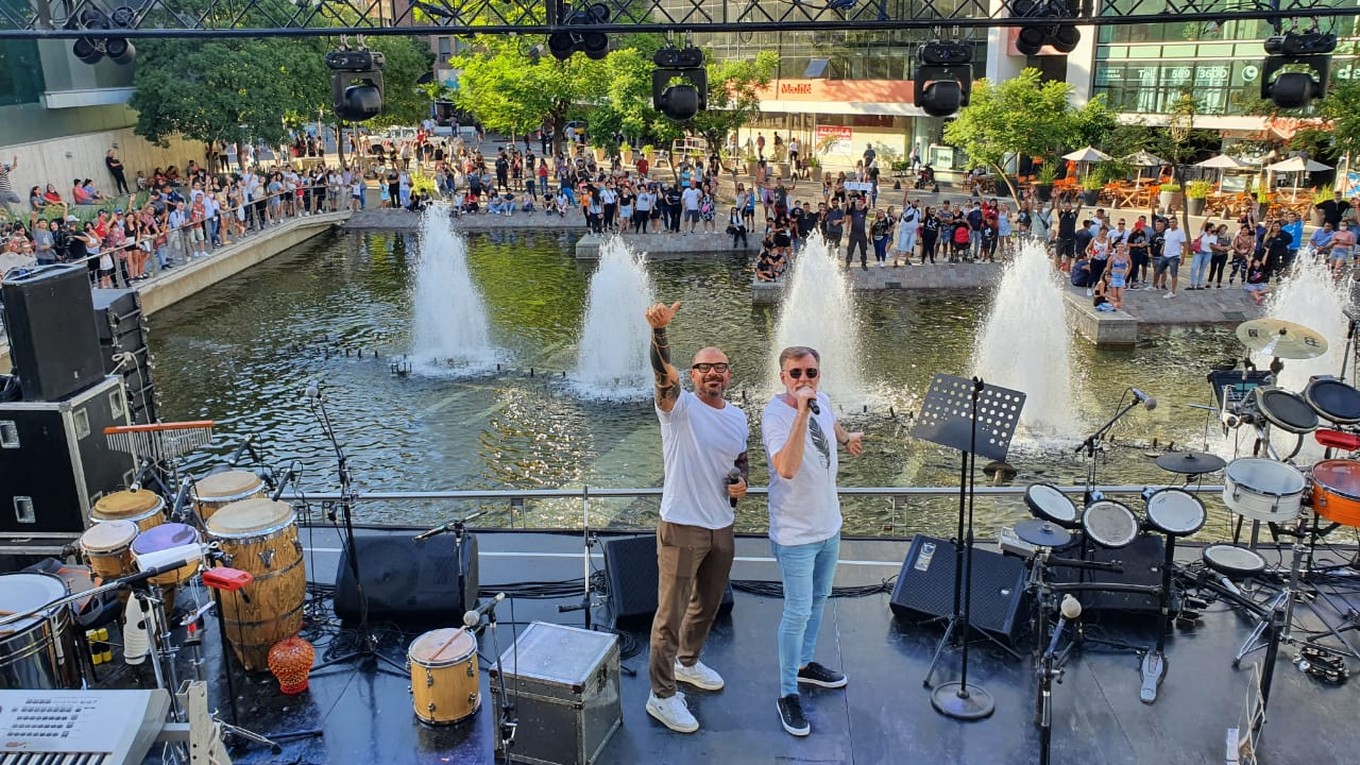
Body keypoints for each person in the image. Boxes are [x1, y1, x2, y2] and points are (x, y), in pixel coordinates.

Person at [643, 301, 749, 735]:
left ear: (728, 374)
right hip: (683, 524)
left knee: (706, 606)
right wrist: (661, 334)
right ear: (692, 375)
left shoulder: (739, 416)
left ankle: (688, 664)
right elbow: (660, 373)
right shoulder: (679, 407)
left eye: (720, 367)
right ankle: (661, 695)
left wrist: (742, 482)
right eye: (704, 368)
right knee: (669, 614)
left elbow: (740, 461)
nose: (713, 373)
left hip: (720, 525)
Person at [764, 346, 861, 737]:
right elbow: (785, 468)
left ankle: (804, 665)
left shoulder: (824, 399)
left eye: (812, 373)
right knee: (797, 611)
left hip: (828, 527)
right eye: (796, 374)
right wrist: (801, 412)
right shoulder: (775, 415)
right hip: (795, 536)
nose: (805, 380)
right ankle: (788, 692)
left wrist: (846, 437)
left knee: (819, 601)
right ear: (783, 377)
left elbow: (832, 426)